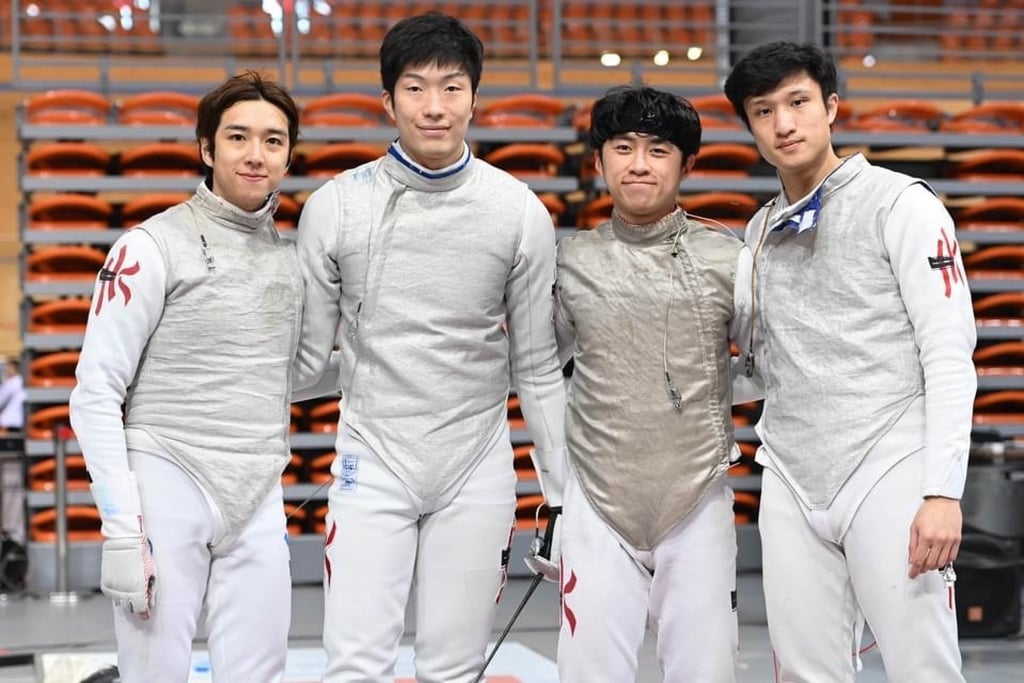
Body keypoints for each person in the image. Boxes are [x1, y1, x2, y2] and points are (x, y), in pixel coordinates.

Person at [292, 12, 567, 683]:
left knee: (455, 666)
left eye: (451, 87)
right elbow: (302, 364)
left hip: (475, 462)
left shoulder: (518, 210)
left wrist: (561, 493)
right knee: (355, 664)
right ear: (388, 101)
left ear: (475, 95)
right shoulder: (336, 206)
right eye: (415, 88)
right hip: (371, 458)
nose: (435, 107)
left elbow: (535, 363)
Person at [723, 42, 976, 681]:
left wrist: (942, 490)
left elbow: (949, 352)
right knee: (805, 672)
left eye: (798, 103)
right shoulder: (757, 233)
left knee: (924, 667)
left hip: (888, 460)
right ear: (750, 128)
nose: (784, 123)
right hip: (791, 473)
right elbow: (762, 366)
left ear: (831, 107)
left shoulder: (902, 204)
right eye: (763, 111)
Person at [69, 71, 302, 682]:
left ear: (288, 155)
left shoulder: (290, 258)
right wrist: (122, 525)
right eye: (239, 138)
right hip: (167, 478)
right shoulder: (149, 246)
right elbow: (95, 392)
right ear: (207, 148)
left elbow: (282, 372)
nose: (256, 155)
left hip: (257, 487)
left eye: (274, 141)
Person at [553, 85, 756, 682]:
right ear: (599, 161)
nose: (638, 164)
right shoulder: (571, 261)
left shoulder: (728, 257)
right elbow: (542, 366)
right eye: (623, 147)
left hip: (697, 496)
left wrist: (707, 391)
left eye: (658, 150)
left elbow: (766, 363)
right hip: (597, 500)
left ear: (687, 164)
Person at [0, 359, 26, 545]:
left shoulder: (13, 384)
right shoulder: (22, 384)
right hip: (16, 436)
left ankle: (10, 531)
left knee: (11, 487)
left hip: (10, 435)